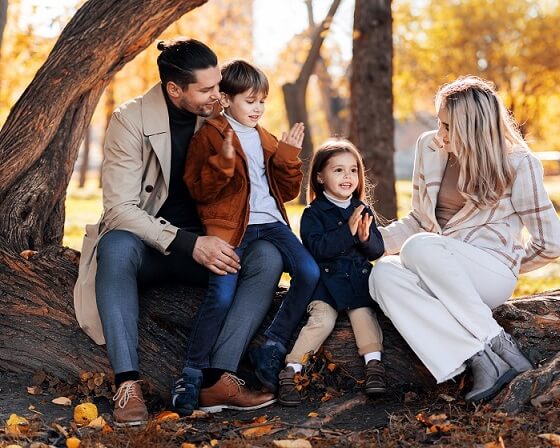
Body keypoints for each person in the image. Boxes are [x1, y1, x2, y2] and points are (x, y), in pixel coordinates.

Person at [73, 39, 281, 427]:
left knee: (267, 257)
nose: (217, 95)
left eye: (218, 85)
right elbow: (119, 210)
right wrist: (189, 242)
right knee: (115, 247)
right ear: (174, 89)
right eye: (205, 89)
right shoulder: (129, 119)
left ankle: (219, 378)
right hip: (149, 247)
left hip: (208, 244)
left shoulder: (223, 114)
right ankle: (127, 383)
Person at [368, 76, 560, 403]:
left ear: (473, 128)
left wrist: (511, 263)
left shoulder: (518, 163)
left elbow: (551, 243)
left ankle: (500, 344)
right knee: (383, 274)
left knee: (419, 247)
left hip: (488, 273)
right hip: (434, 264)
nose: (440, 134)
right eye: (439, 123)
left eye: (448, 127)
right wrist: (370, 243)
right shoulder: (429, 148)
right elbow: (420, 221)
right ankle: (481, 358)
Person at [174, 59, 320, 414]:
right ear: (225, 99)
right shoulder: (208, 135)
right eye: (249, 100)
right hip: (230, 229)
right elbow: (198, 191)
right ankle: (191, 375)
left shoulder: (264, 137)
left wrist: (287, 157)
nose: (257, 108)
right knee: (220, 297)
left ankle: (272, 344)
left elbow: (284, 193)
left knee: (310, 272)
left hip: (270, 223)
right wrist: (222, 165)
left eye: (262, 101)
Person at [277, 139, 386, 407]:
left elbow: (376, 250)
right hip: (324, 284)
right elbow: (318, 248)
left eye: (353, 170)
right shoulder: (313, 214)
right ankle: (292, 370)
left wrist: (364, 238)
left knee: (364, 315)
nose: (347, 177)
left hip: (356, 282)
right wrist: (347, 232)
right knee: (321, 321)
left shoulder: (362, 209)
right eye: (338, 170)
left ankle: (374, 366)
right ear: (320, 177)